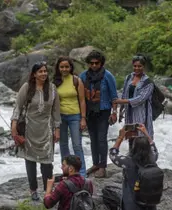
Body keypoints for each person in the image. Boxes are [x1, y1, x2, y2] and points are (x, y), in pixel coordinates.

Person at [11, 61, 61, 201]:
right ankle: (33, 190)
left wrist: (57, 129)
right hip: (29, 128)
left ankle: (48, 190)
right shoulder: (27, 88)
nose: (44, 74)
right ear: (34, 74)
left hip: (46, 129)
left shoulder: (52, 89)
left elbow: (56, 111)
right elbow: (18, 107)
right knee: (30, 161)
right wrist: (14, 126)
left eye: (45, 71)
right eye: (40, 71)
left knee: (47, 162)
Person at [108, 124, 159, 210]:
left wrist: (120, 137)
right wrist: (147, 134)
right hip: (148, 200)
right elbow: (154, 148)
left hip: (132, 202)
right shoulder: (153, 159)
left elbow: (113, 154)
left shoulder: (128, 162)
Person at [79, 50, 118, 178]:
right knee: (93, 139)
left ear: (101, 63)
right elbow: (80, 96)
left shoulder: (108, 76)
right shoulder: (83, 76)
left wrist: (114, 112)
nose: (94, 65)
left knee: (101, 139)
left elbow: (114, 96)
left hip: (103, 111)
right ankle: (95, 163)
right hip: (89, 111)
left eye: (97, 63)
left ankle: (102, 166)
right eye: (92, 63)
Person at [53, 56, 87, 177]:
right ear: (58, 68)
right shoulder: (55, 82)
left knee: (77, 145)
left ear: (70, 67)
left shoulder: (76, 80)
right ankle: (66, 172)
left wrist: (83, 118)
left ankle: (81, 173)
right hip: (60, 117)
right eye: (62, 67)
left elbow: (82, 100)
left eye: (66, 66)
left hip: (75, 116)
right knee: (63, 145)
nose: (64, 69)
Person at [114, 55, 155, 146]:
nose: (137, 68)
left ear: (144, 67)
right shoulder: (129, 77)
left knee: (141, 138)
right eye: (135, 66)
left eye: (139, 66)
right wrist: (121, 111)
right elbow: (124, 93)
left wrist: (123, 101)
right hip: (129, 113)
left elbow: (140, 99)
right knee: (130, 136)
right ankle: (131, 157)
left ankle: (143, 158)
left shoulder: (148, 82)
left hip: (142, 114)